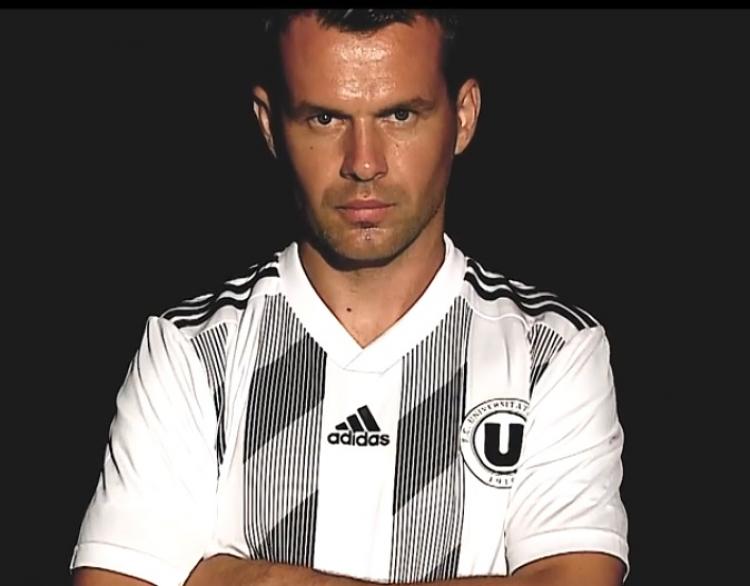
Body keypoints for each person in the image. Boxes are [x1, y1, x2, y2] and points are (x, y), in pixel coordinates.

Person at [71, 9, 629, 586]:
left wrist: (246, 579)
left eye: (400, 114)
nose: (364, 162)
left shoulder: (552, 352)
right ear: (269, 124)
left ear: (463, 117)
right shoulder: (190, 349)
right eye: (324, 118)